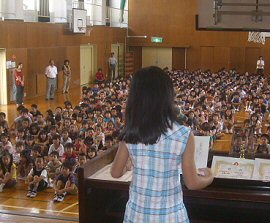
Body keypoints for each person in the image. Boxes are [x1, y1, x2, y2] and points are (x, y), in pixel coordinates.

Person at [111, 66, 214, 223]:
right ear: (167, 95)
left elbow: (116, 172)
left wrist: (129, 164)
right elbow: (192, 183)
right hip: (171, 216)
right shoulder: (184, 134)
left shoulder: (130, 132)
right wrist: (209, 177)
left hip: (136, 215)